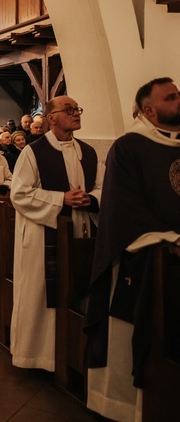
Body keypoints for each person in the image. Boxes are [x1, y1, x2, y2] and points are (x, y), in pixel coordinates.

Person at [84, 78, 180, 421]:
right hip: (142, 257)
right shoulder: (128, 147)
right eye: (171, 97)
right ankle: (126, 405)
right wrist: (169, 240)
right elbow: (124, 208)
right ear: (150, 110)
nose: (179, 99)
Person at [9, 95, 103, 372]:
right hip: (43, 237)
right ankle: (37, 356)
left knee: (78, 287)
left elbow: (102, 186)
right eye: (69, 110)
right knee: (41, 293)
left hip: (81, 233)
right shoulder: (33, 152)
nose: (76, 114)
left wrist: (91, 199)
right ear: (51, 118)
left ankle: (74, 354)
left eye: (77, 109)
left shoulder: (89, 152)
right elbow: (20, 194)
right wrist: (61, 199)